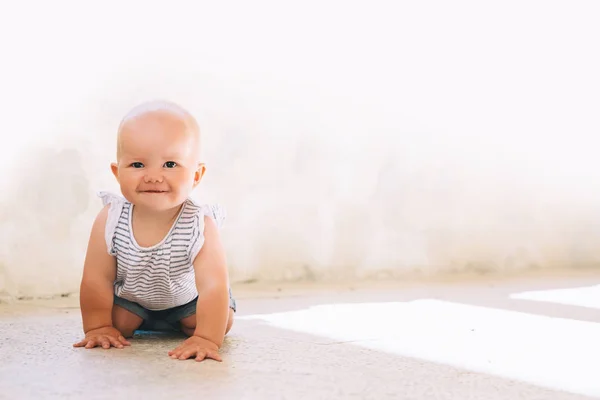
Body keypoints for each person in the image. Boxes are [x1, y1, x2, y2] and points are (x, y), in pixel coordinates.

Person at [73, 101, 236, 362]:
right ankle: (144, 320)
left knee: (219, 320)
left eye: (170, 164)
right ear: (117, 172)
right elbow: (96, 279)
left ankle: (187, 327)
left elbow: (213, 286)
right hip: (134, 300)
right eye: (138, 165)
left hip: (188, 302)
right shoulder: (111, 218)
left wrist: (206, 338)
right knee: (118, 324)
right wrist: (98, 327)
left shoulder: (200, 223)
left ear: (196, 175)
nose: (153, 176)